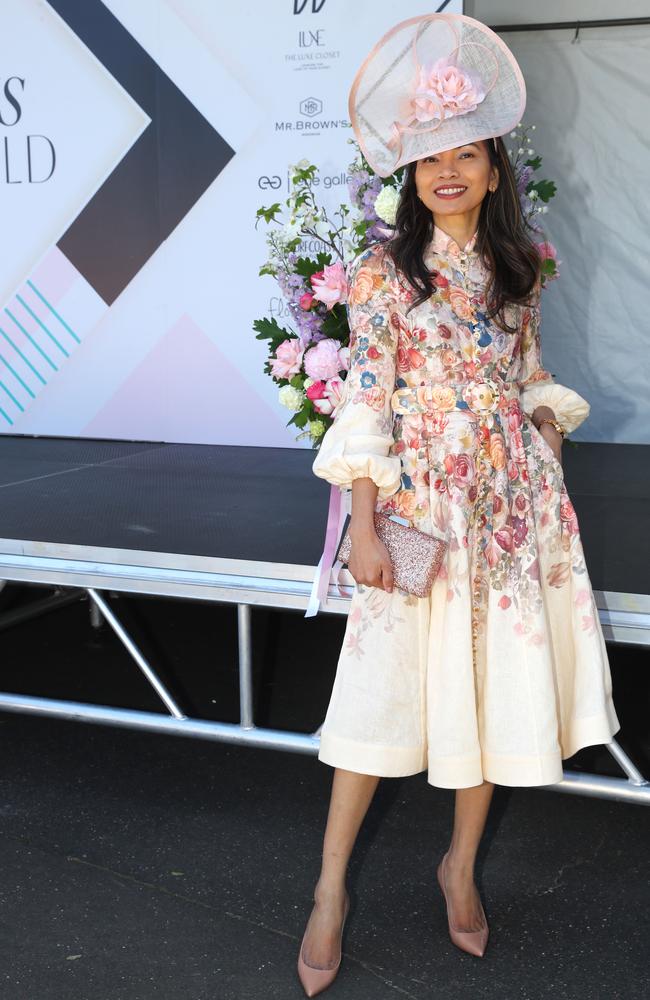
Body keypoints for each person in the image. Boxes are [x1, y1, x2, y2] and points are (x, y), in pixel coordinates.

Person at [297, 12, 621, 996]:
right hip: (417, 507)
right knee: (377, 696)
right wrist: (361, 519)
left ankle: (459, 866)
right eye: (430, 155)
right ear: (411, 171)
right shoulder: (382, 275)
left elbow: (528, 374)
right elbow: (364, 400)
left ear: (491, 171)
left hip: (510, 509)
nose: (447, 170)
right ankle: (327, 889)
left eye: (466, 154)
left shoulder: (520, 274)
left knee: (487, 692)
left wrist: (541, 423)